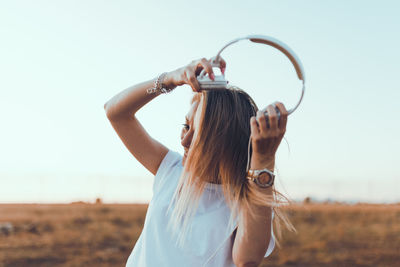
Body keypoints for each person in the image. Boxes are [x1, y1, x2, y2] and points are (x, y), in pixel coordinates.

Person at [104, 57, 293, 267]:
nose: (184, 140)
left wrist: (264, 160)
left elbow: (247, 260)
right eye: (186, 126)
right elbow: (115, 112)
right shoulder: (171, 168)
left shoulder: (248, 201)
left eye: (199, 134)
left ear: (225, 141)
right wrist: (169, 79)